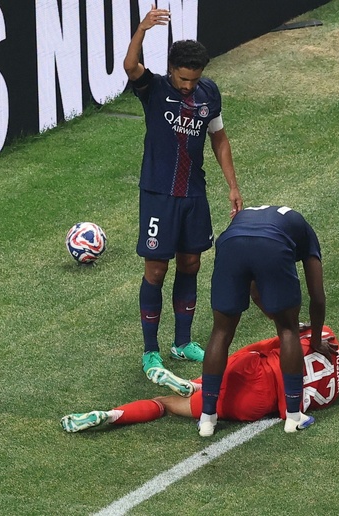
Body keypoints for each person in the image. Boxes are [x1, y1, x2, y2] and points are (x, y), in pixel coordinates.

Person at [123, 6, 243, 380]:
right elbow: (130, 66)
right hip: (159, 194)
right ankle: (150, 351)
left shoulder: (209, 93)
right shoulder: (154, 88)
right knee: (157, 269)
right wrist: (142, 29)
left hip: (194, 194)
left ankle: (182, 341)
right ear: (171, 68)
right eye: (183, 77)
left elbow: (219, 139)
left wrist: (233, 186)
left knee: (191, 263)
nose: (189, 85)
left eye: (194, 78)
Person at [60, 324, 339, 432]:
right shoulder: (332, 395)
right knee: (167, 405)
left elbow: (291, 330)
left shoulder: (330, 336)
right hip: (255, 404)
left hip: (252, 370)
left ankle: (196, 382)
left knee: (249, 356)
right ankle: (110, 416)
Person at [198, 205, 326, 437]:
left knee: (221, 331)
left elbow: (256, 290)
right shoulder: (305, 233)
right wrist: (315, 339)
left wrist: (273, 313)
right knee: (287, 330)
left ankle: (207, 418)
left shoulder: (257, 216)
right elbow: (317, 296)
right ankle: (294, 417)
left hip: (230, 243)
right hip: (271, 245)